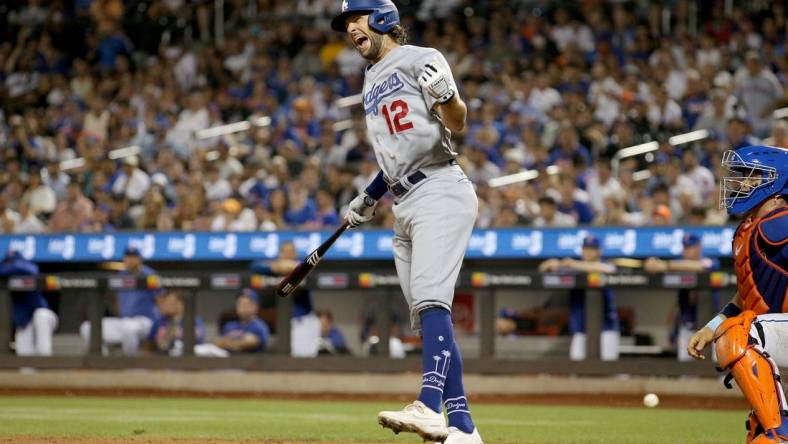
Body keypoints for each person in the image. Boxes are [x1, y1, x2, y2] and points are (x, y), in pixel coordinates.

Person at [332, 2, 482, 442]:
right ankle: (463, 428)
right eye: (345, 25)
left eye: (356, 18)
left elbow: (457, 123)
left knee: (434, 301)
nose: (350, 29)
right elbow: (400, 151)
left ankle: (429, 405)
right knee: (427, 314)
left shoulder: (422, 57)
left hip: (439, 187)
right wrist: (369, 196)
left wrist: (452, 99)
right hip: (403, 199)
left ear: (381, 18)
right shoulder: (369, 78)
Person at [687, 146, 787, 443]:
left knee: (738, 335)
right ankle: (771, 427)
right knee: (733, 333)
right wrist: (710, 327)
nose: (742, 183)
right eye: (742, 175)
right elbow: (746, 295)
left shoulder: (781, 221)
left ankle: (779, 435)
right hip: (779, 328)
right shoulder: (750, 226)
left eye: (753, 176)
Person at [539, 236, 620, 361]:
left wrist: (573, 264)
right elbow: (543, 269)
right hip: (581, 327)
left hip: (606, 326)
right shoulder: (574, 268)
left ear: (599, 251)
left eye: (592, 249)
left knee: (610, 366)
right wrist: (553, 264)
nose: (588, 252)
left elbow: (610, 270)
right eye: (585, 248)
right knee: (577, 367)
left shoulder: (603, 264)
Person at [644, 233, 720, 361]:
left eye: (691, 247)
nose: (688, 251)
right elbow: (650, 266)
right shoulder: (678, 264)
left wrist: (666, 265)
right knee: (687, 371)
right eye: (685, 248)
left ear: (699, 247)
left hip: (710, 327)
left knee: (714, 369)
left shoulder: (711, 260)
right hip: (687, 326)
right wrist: (652, 263)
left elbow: (701, 267)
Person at [80, 246, 162, 355]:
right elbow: (117, 302)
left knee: (129, 329)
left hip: (145, 321)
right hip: (124, 321)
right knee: (88, 327)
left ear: (140, 259)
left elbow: (161, 301)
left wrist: (159, 325)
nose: (130, 260)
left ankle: (130, 366)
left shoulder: (150, 275)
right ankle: (102, 362)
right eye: (127, 257)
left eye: (133, 257)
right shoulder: (120, 275)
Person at [251, 242, 321, 358]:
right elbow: (254, 267)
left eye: (291, 252)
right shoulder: (274, 268)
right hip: (282, 321)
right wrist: (273, 267)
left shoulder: (303, 266)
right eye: (285, 252)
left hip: (302, 321)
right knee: (284, 359)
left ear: (295, 254)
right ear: (280, 254)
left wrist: (294, 266)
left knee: (304, 358)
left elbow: (311, 268)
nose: (288, 255)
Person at [0, 250, 58, 356]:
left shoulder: (29, 268)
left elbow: (31, 269)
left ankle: (46, 361)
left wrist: (12, 266)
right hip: (24, 322)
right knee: (25, 360)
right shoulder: (4, 276)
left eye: (12, 261)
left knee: (41, 316)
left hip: (45, 317)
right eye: (8, 262)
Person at [195, 288, 271, 357]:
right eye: (240, 304)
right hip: (228, 363)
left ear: (255, 306)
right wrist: (236, 343)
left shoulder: (260, 326)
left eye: (247, 304)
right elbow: (217, 343)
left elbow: (250, 343)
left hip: (251, 366)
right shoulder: (230, 325)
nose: (243, 307)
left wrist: (228, 343)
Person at [145, 290, 205, 356]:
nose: (168, 306)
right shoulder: (159, 321)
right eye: (166, 303)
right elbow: (150, 344)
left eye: (172, 303)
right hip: (163, 358)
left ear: (181, 304)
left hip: (188, 356)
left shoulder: (192, 319)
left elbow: (199, 336)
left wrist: (177, 322)